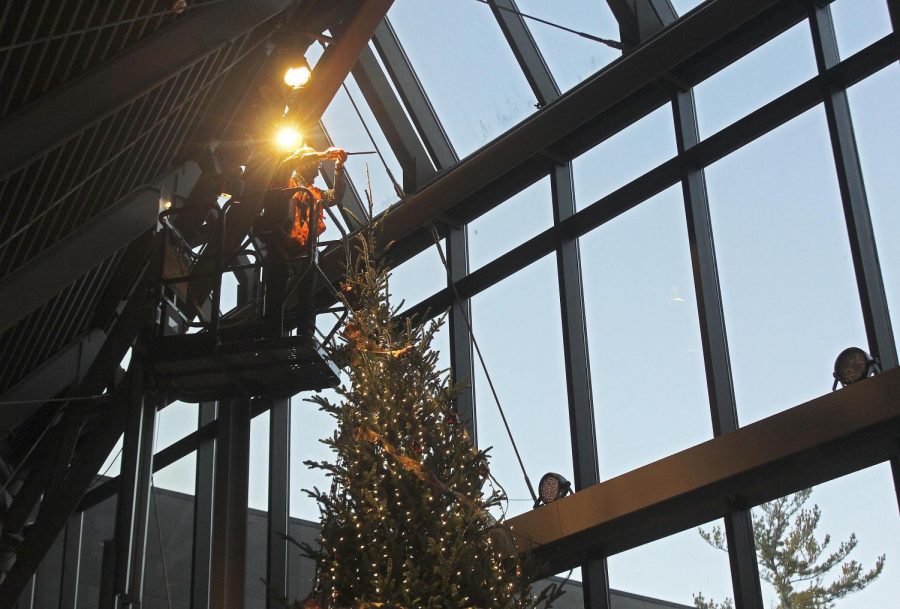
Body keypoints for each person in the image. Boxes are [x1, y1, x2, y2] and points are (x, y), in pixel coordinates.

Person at [256, 145, 347, 338]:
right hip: (279, 245)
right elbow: (289, 162)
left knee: (306, 297)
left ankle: (305, 336)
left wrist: (339, 168)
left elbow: (336, 196)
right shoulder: (284, 178)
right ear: (303, 162)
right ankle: (272, 336)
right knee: (275, 295)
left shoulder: (316, 192)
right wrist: (321, 154)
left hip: (305, 249)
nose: (317, 166)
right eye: (314, 162)